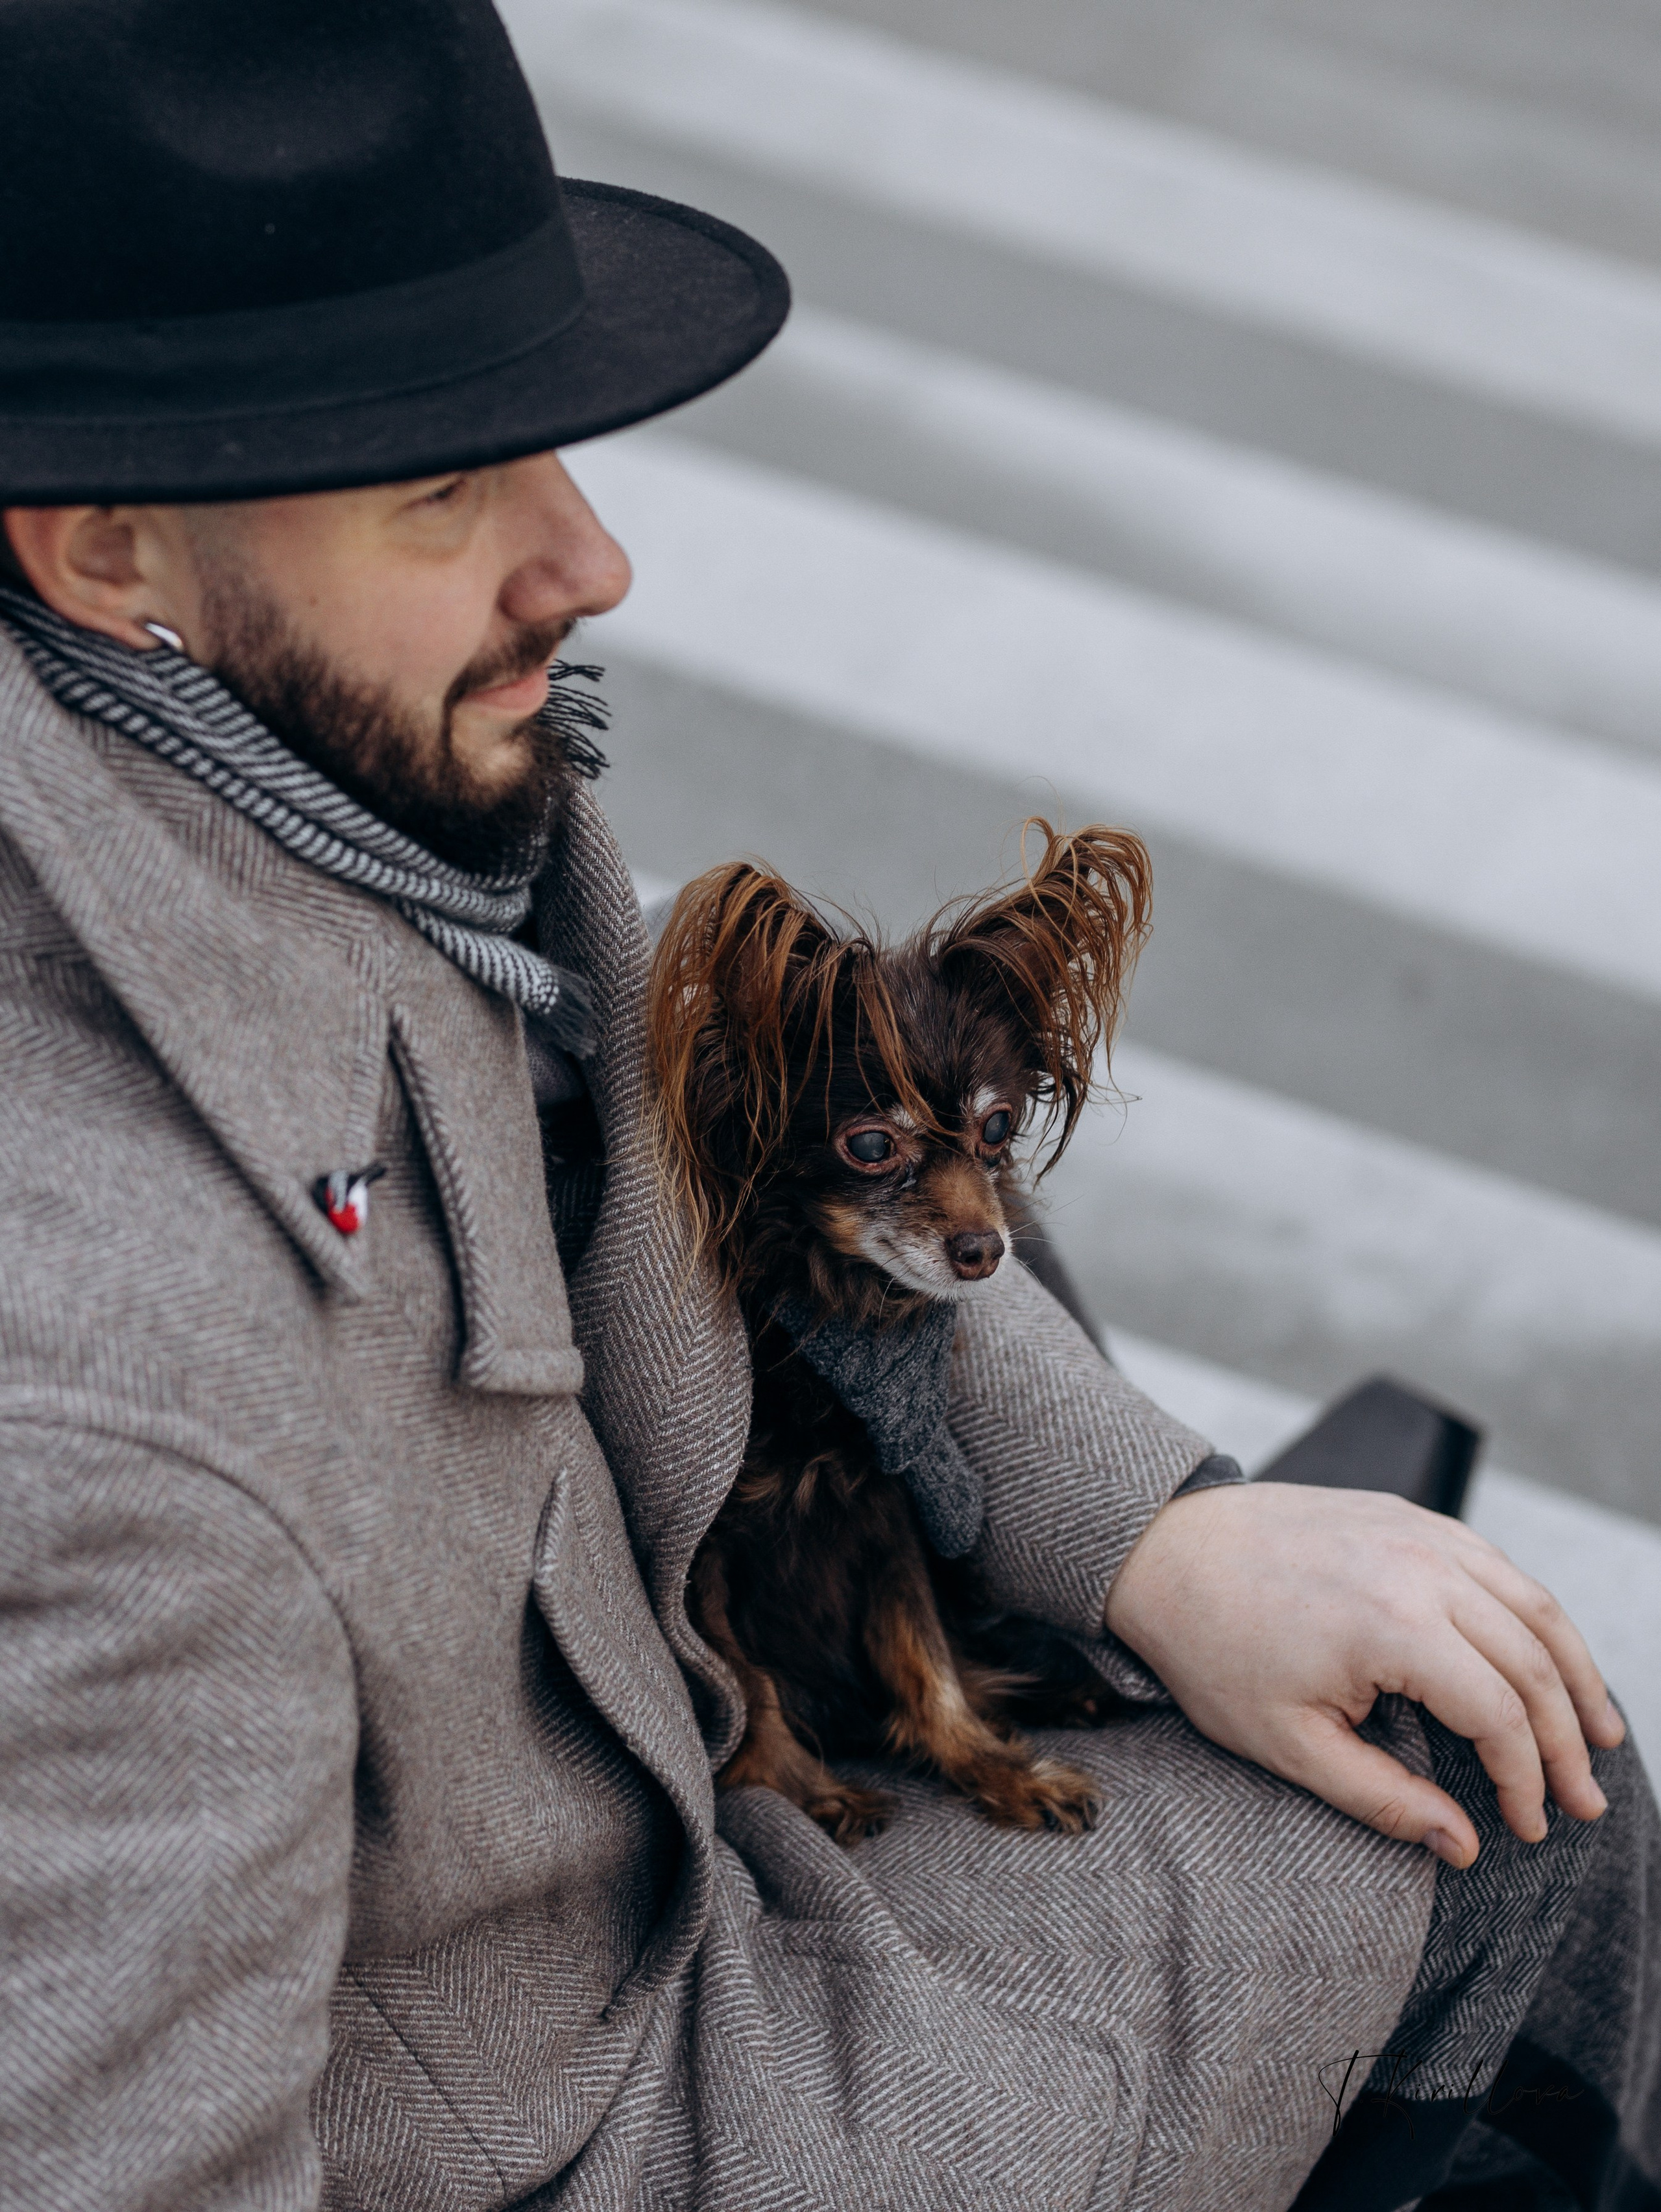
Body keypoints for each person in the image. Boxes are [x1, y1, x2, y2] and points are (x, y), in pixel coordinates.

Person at [0, 5, 1655, 2208]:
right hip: (591, 2091)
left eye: (545, 447)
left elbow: (645, 1108)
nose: (588, 561)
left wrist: (1150, 1533)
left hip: (670, 1760)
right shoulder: (115, 1393)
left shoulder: (271, 783)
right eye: (445, 485)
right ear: (109, 555)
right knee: (1526, 1816)